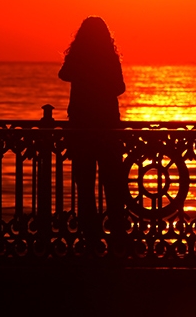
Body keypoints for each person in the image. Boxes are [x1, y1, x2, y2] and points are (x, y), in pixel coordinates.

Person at [59, 16, 126, 242]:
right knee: (112, 181)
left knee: (85, 183)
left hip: (82, 126)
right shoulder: (109, 58)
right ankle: (117, 234)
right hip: (107, 125)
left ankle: (91, 235)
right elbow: (120, 87)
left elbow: (64, 74)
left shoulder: (79, 58)